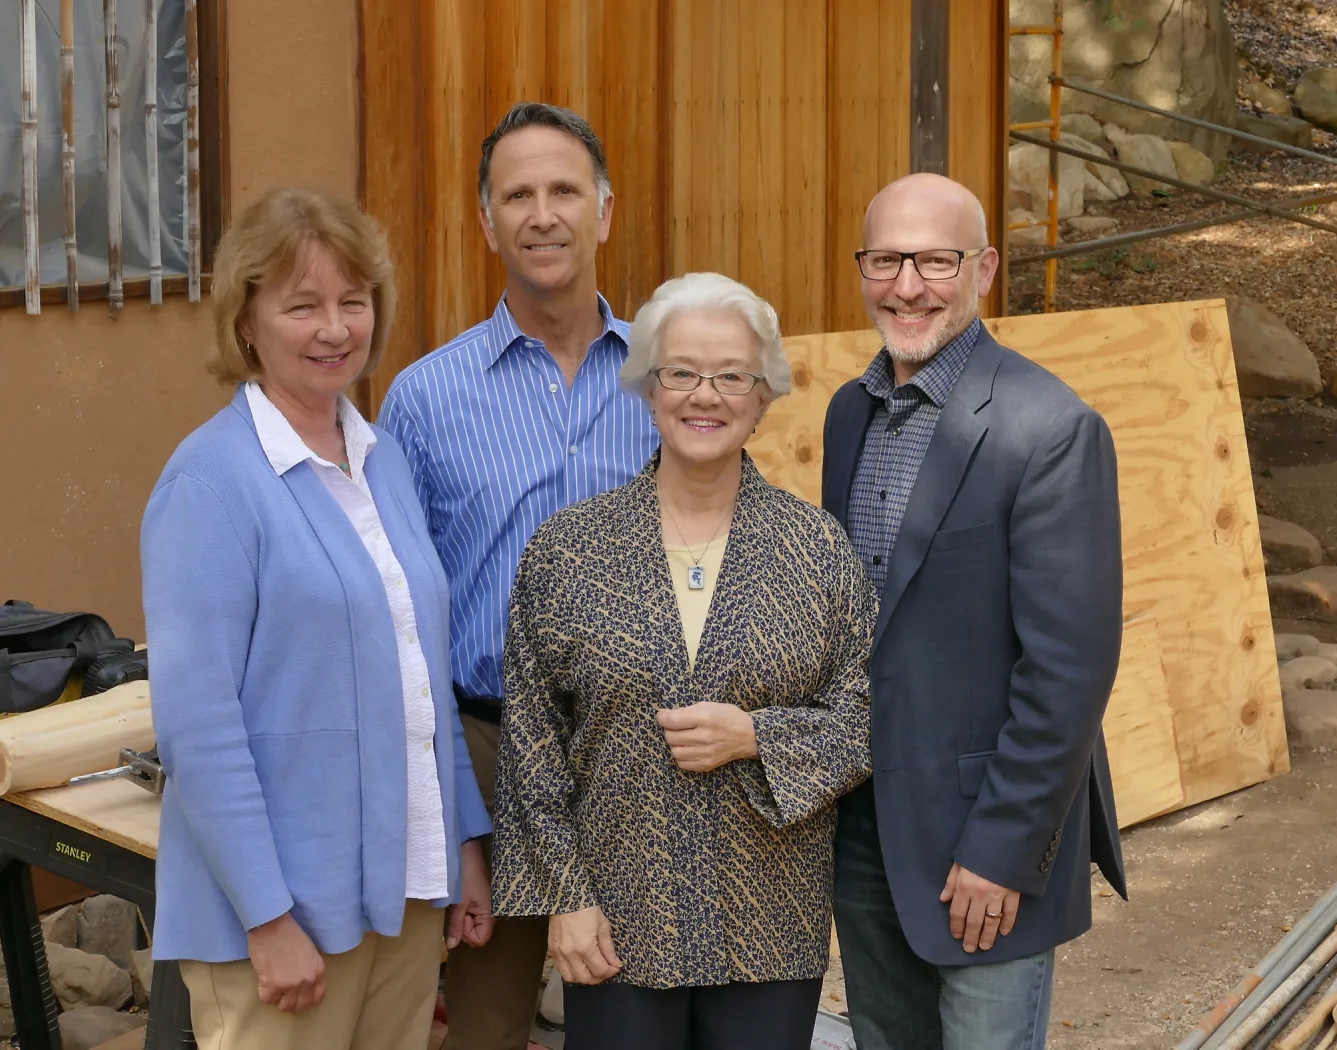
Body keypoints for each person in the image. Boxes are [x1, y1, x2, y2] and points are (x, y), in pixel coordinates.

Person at [141, 187, 493, 1050]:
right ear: (247, 323)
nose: (335, 328)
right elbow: (199, 728)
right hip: (283, 917)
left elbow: (422, 675)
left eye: (353, 301)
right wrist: (267, 918)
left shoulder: (383, 460)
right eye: (302, 306)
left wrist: (464, 843)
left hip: (403, 894)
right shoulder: (210, 484)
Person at [490, 272, 877, 1050]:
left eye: (732, 375)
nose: (707, 396)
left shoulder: (818, 551)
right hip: (617, 925)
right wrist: (565, 899)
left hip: (769, 924)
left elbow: (869, 717)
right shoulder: (570, 551)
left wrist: (757, 737)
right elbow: (531, 748)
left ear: (763, 393)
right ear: (648, 385)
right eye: (682, 373)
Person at [821, 172, 1128, 1050]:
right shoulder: (851, 414)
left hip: (983, 843)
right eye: (886, 259)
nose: (907, 285)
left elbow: (1069, 671)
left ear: (984, 268)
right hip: (867, 829)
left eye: (935, 260)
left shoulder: (1049, 428)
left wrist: (1001, 848)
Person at [376, 102, 658, 1049]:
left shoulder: (669, 384)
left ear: (605, 211)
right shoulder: (424, 398)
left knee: (637, 1009)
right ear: (488, 221)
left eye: (565, 191)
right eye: (519, 195)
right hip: (485, 748)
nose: (544, 214)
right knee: (487, 1023)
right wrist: (450, 807)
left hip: (633, 749)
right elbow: (400, 619)